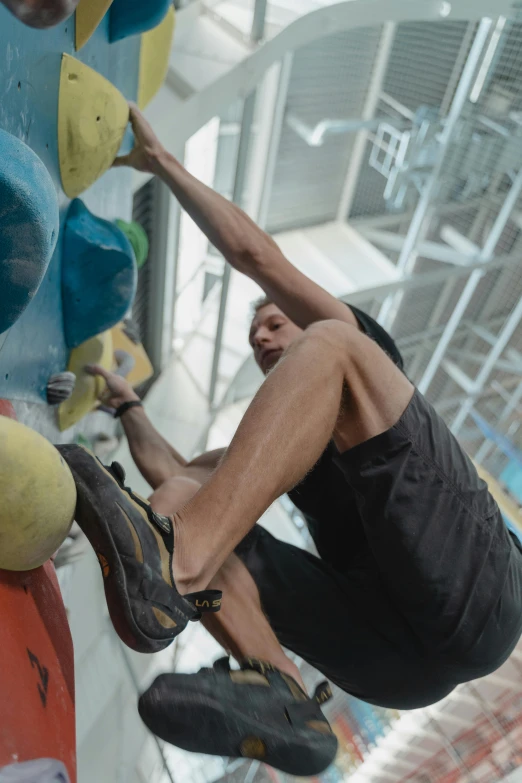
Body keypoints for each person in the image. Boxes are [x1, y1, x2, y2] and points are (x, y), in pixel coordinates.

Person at [58, 104, 522, 776]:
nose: (264, 338)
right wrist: (128, 403)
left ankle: (176, 566)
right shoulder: (289, 443)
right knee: (185, 494)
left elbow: (254, 255)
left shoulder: (356, 350)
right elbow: (175, 468)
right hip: (392, 664)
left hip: (478, 589)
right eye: (254, 339)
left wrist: (162, 165)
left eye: (276, 325)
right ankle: (279, 690)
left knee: (336, 348)